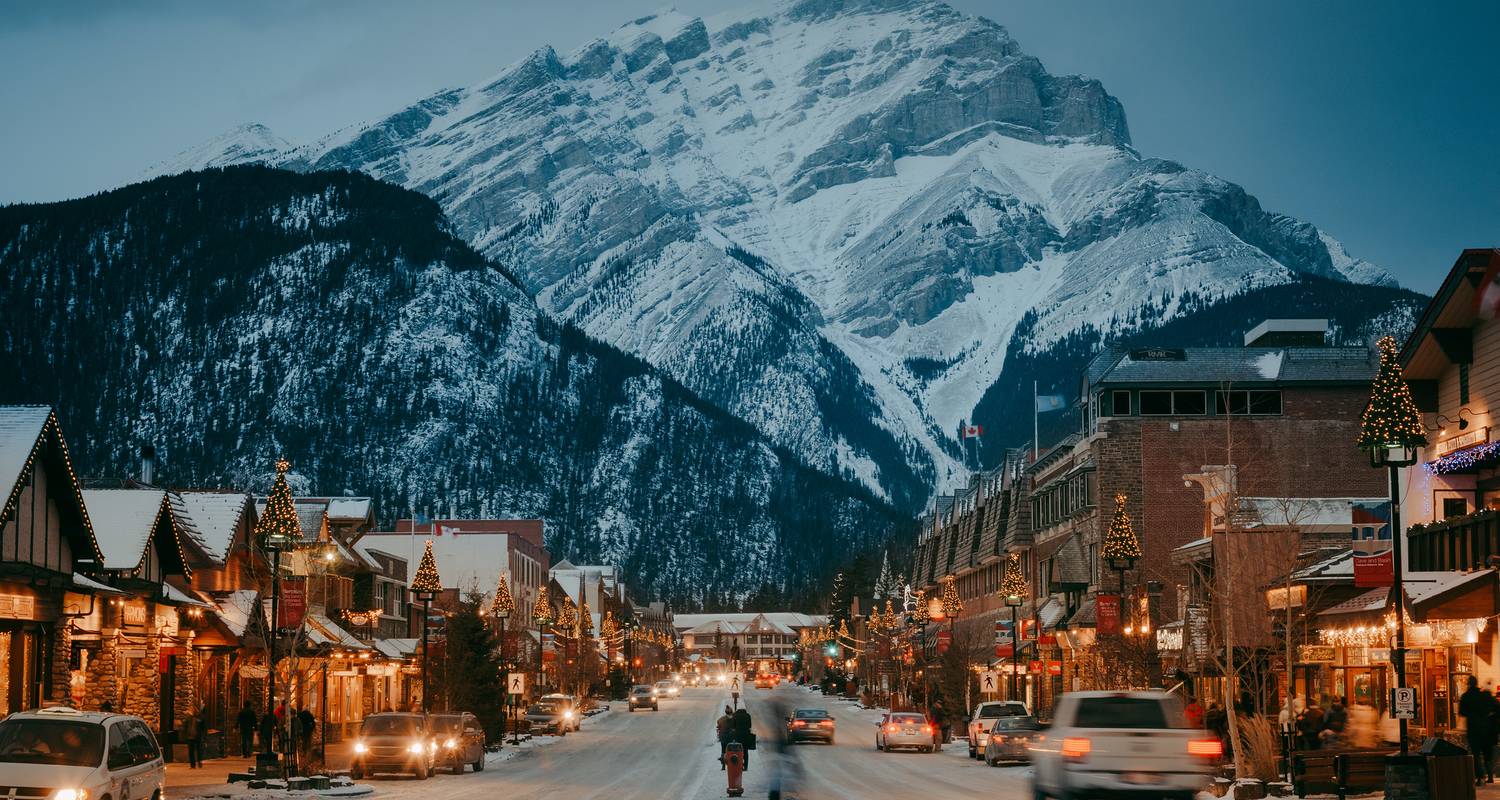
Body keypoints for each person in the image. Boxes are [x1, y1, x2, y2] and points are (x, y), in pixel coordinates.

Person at [1460, 675, 1495, 785]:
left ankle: (1480, 777)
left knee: (1476, 753)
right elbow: (1494, 706)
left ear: (1468, 684)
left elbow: (1462, 712)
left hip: (1473, 729)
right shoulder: (1484, 696)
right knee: (1487, 753)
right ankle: (1489, 775)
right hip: (1486, 728)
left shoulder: (1466, 696)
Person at [732, 705, 754, 770]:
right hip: (746, 736)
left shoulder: (735, 716)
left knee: (738, 751)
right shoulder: (748, 715)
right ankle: (746, 766)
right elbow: (750, 726)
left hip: (738, 736)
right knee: (745, 751)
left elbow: (733, 726)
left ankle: (739, 765)